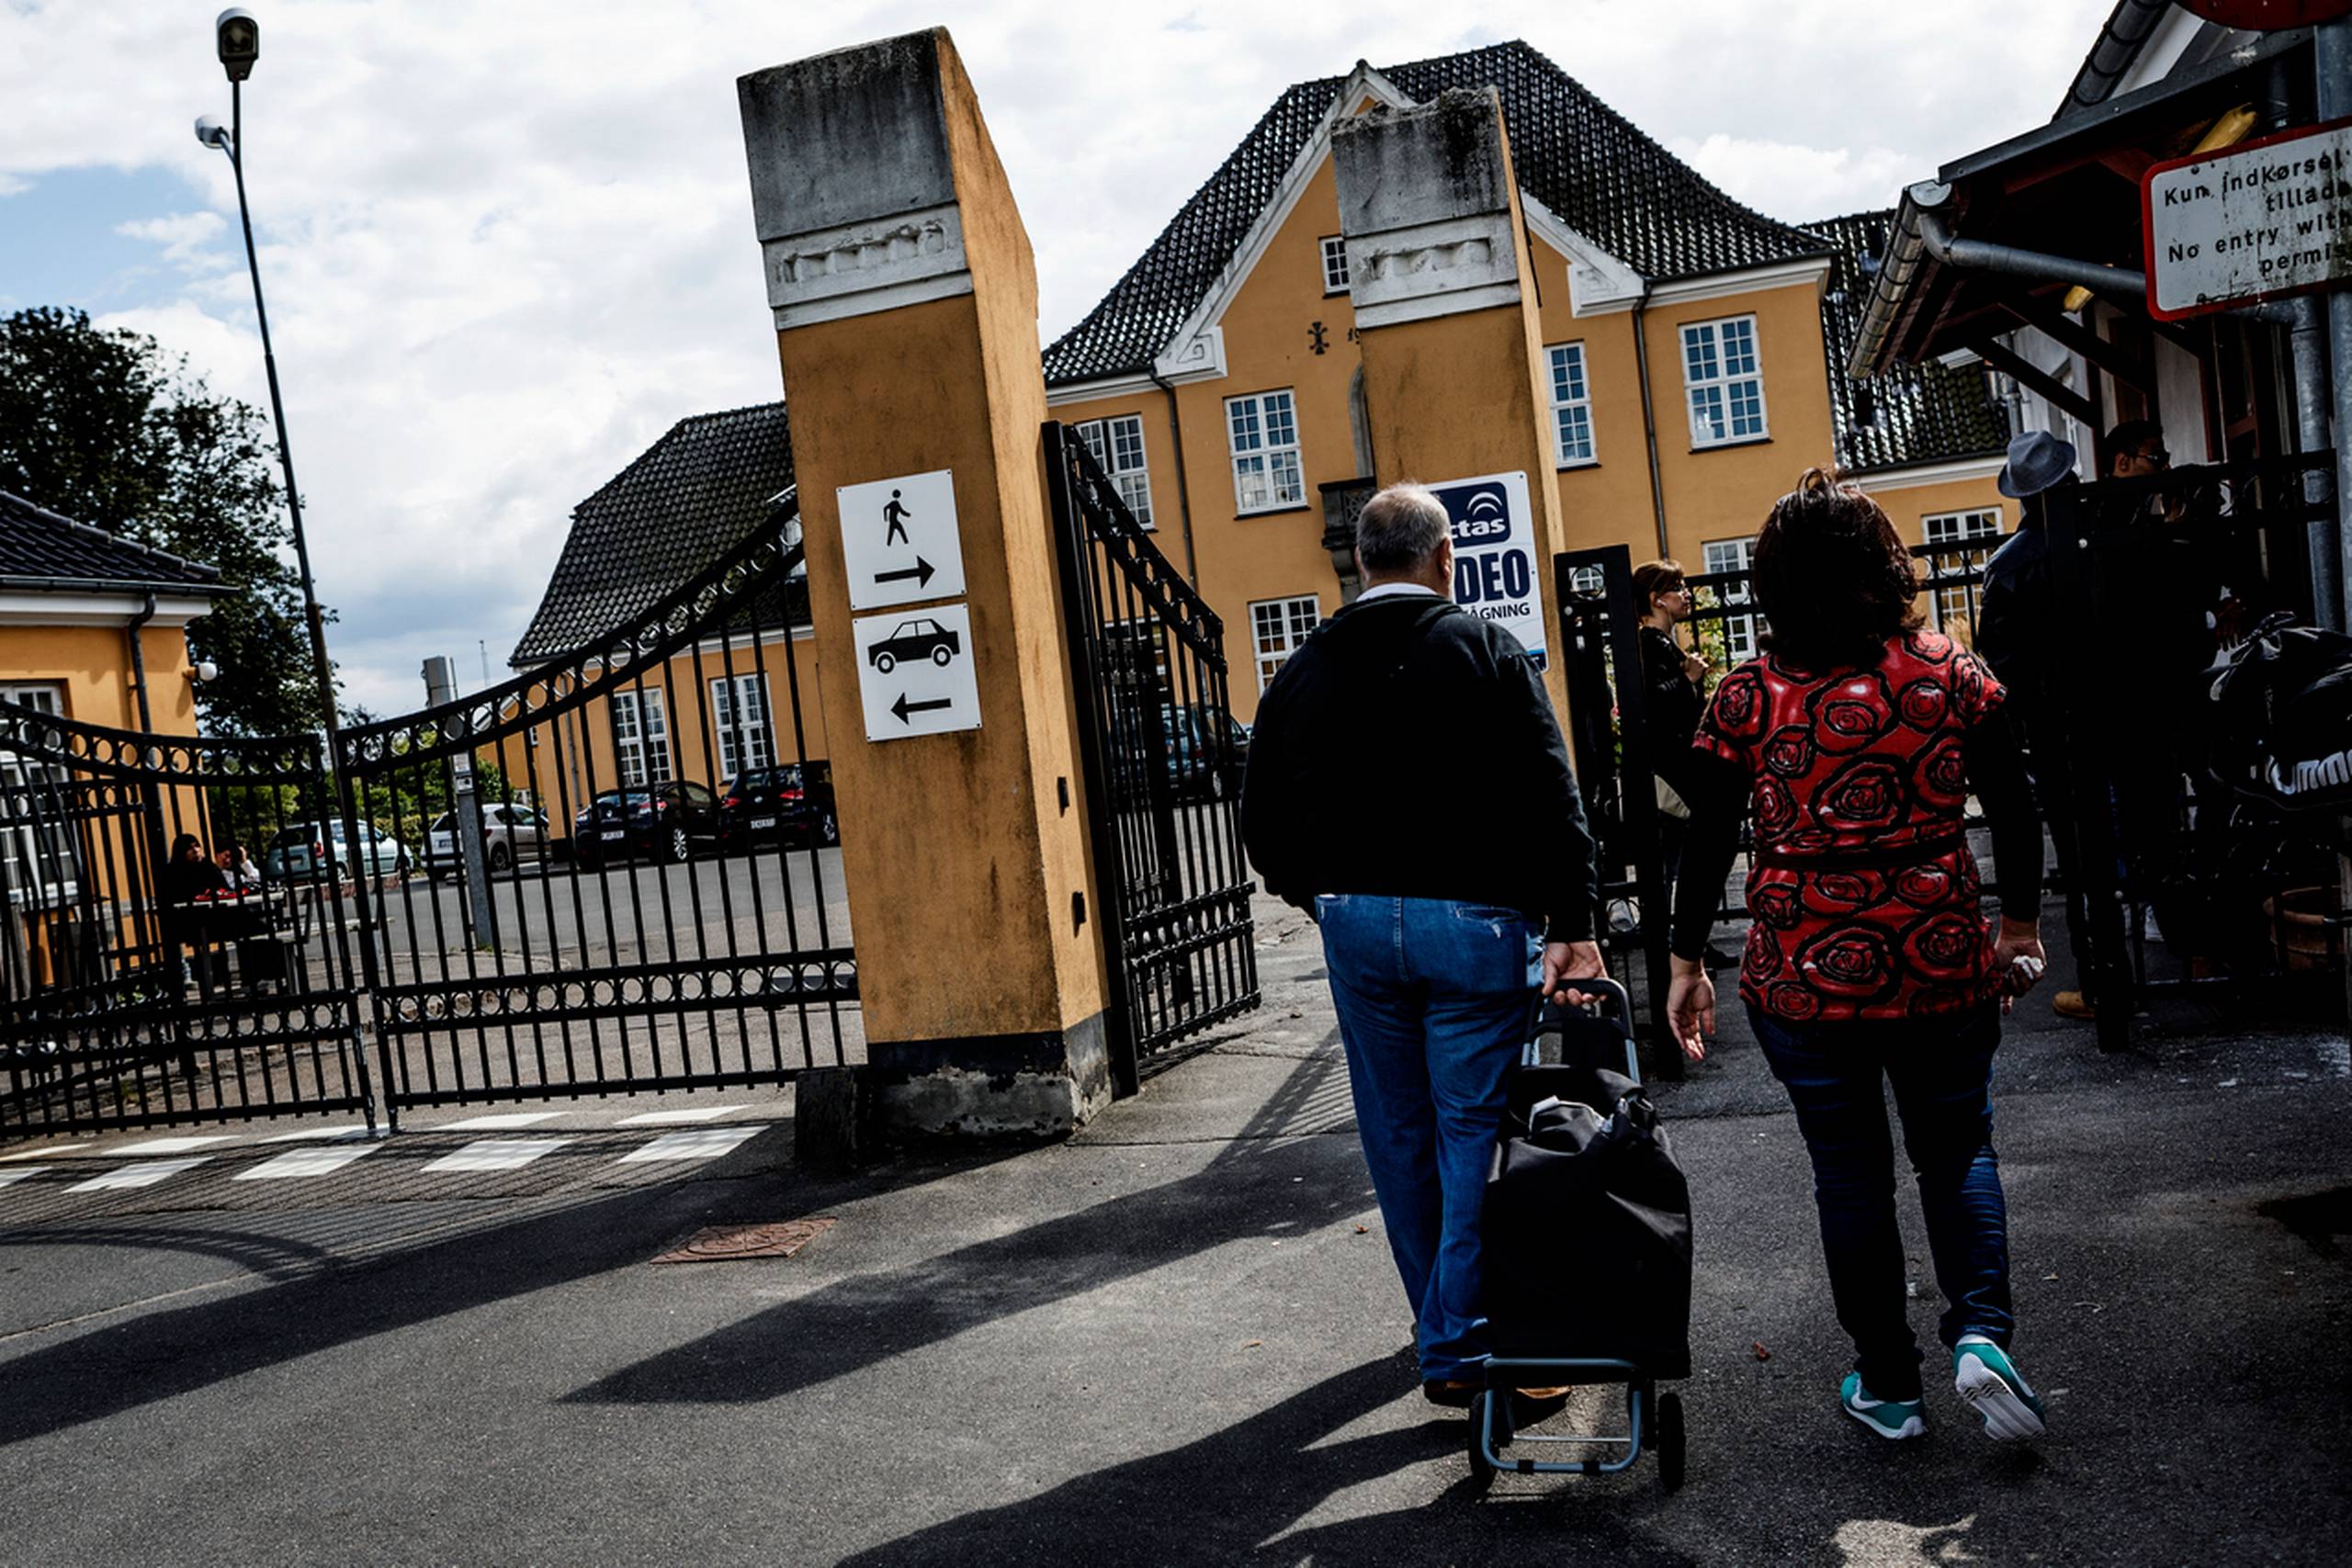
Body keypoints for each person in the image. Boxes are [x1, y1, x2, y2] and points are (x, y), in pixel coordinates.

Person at [1667, 468, 2051, 1444]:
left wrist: (1684, 963)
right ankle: (1980, 1336)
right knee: (1956, 1148)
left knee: (1848, 1174)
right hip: (1938, 957)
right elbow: (2012, 803)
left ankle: (1887, 1384)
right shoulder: (1949, 674)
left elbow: (1706, 841)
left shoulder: (1746, 698)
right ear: (1887, 568)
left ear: (1771, 581)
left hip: (1804, 975)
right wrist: (2018, 926)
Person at [1242, 480, 1605, 1409]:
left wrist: (1321, 899)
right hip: (1476, 922)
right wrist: (1574, 925)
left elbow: (1261, 821)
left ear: (1360, 561)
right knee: (1472, 1132)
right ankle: (1459, 1343)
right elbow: (1551, 797)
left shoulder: (1302, 669)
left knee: (1397, 1135)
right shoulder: (1484, 649)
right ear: (1445, 558)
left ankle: (1438, 1326)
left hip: (1359, 920)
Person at [1975, 430, 2098, 1021]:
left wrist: (2016, 727)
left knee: (2078, 854)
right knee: (2148, 832)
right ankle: (2191, 954)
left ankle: (2100, 979)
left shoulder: (2008, 565)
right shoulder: (2101, 541)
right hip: (2118, 710)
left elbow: (1997, 666)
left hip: (2052, 724)